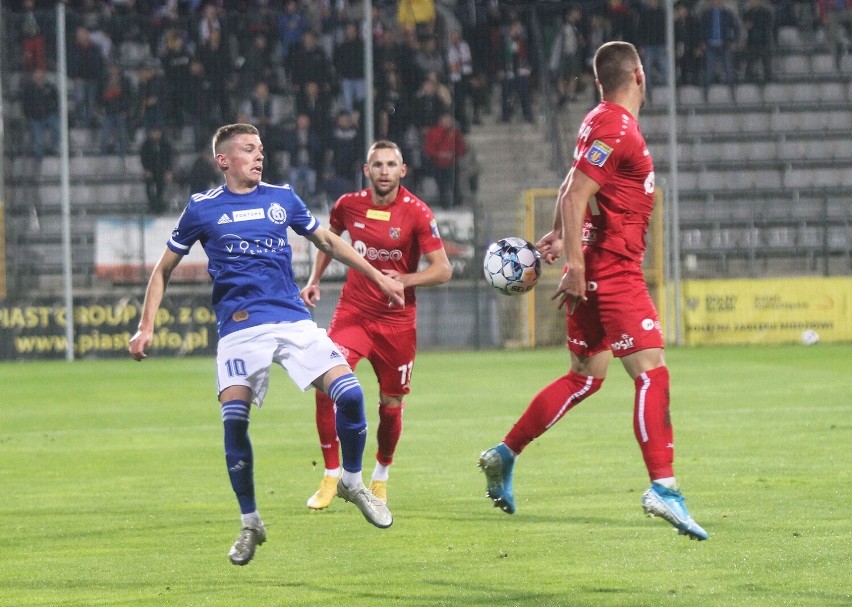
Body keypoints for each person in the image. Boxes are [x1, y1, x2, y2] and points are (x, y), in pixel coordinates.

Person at [128, 123, 405, 567]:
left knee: (350, 393)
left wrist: (376, 275)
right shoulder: (201, 208)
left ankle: (352, 483)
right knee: (234, 423)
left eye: (261, 149)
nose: (260, 156)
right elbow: (161, 270)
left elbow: (329, 240)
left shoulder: (282, 198)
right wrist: (146, 327)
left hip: (293, 321)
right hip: (239, 331)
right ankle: (251, 522)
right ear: (223, 160)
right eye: (248, 150)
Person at [478, 42, 708, 542]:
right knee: (652, 374)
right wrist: (578, 265)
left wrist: (563, 238)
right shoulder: (616, 126)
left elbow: (572, 189)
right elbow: (577, 192)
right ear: (640, 75)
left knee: (585, 376)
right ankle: (663, 488)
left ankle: (505, 453)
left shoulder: (598, 120)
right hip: (613, 272)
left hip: (597, 267)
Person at [301, 140, 451, 510]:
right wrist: (314, 280)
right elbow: (329, 243)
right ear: (366, 171)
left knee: (391, 403)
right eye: (377, 165)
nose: (384, 171)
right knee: (325, 384)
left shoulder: (417, 212)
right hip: (354, 313)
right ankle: (331, 475)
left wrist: (404, 280)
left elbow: (443, 269)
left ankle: (380, 476)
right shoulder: (348, 205)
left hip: (397, 322)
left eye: (391, 164)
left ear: (403, 171)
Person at [139, 126, 174, 215]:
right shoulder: (146, 144)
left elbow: (170, 159)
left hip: (162, 171)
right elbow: (143, 158)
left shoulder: (166, 144)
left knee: (161, 184)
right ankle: (152, 204)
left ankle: (158, 205)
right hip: (150, 171)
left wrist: (168, 171)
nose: (155, 135)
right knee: (148, 184)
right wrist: (146, 169)